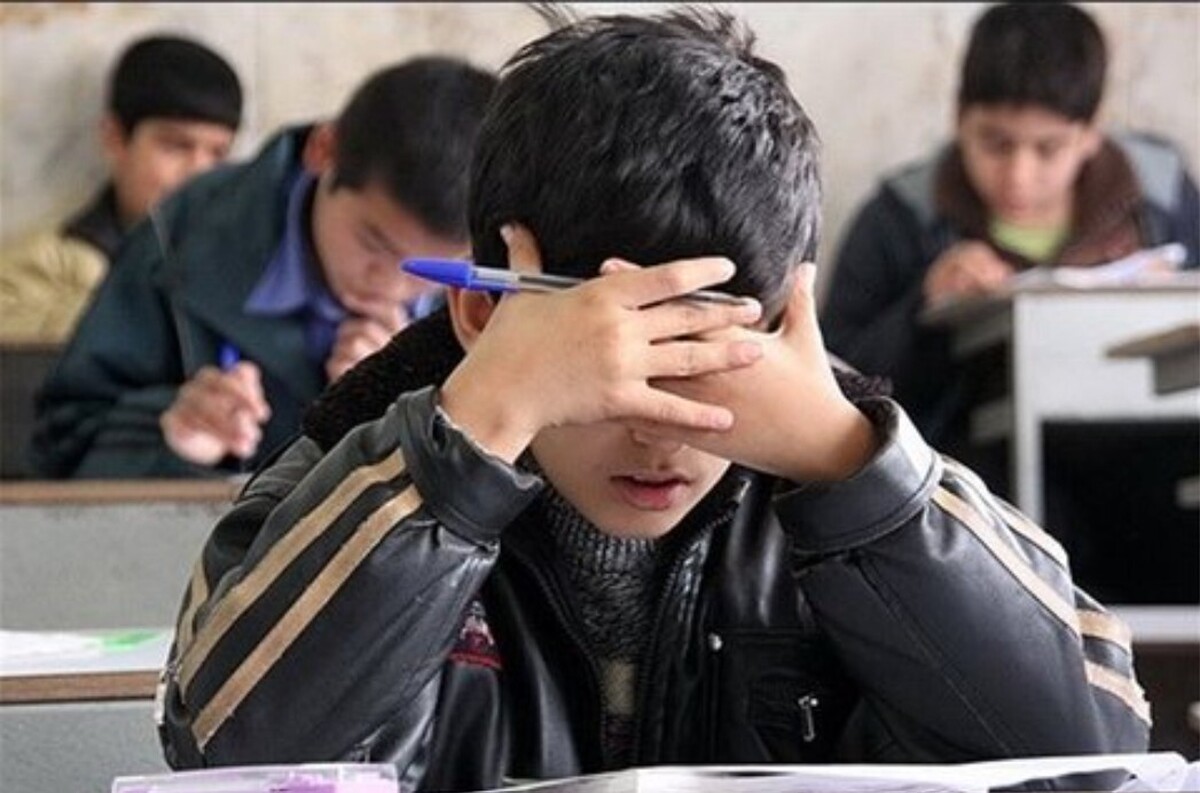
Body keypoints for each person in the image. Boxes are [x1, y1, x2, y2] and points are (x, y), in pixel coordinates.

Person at [155, 9, 1147, 792]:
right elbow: (227, 752)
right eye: (613, 361)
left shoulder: (849, 489)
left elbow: (1096, 755)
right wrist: (470, 439)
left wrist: (856, 472)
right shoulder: (352, 479)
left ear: (783, 324)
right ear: (482, 312)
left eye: (705, 364)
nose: (660, 433)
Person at [819, 1, 1200, 603]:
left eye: (1048, 148)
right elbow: (833, 384)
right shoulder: (902, 217)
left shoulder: (1160, 194)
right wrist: (924, 306)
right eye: (995, 143)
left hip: (1146, 459)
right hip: (979, 480)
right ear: (959, 118)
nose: (1019, 175)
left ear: (1091, 130)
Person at [29, 57, 497, 479]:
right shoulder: (182, 233)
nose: (391, 285)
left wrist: (405, 421)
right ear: (324, 150)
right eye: (373, 242)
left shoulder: (498, 287)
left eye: (431, 271)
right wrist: (173, 434)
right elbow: (61, 453)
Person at [0, 34, 244, 343]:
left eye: (218, 154)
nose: (200, 174)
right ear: (115, 138)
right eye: (176, 146)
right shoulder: (33, 275)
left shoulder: (250, 270)